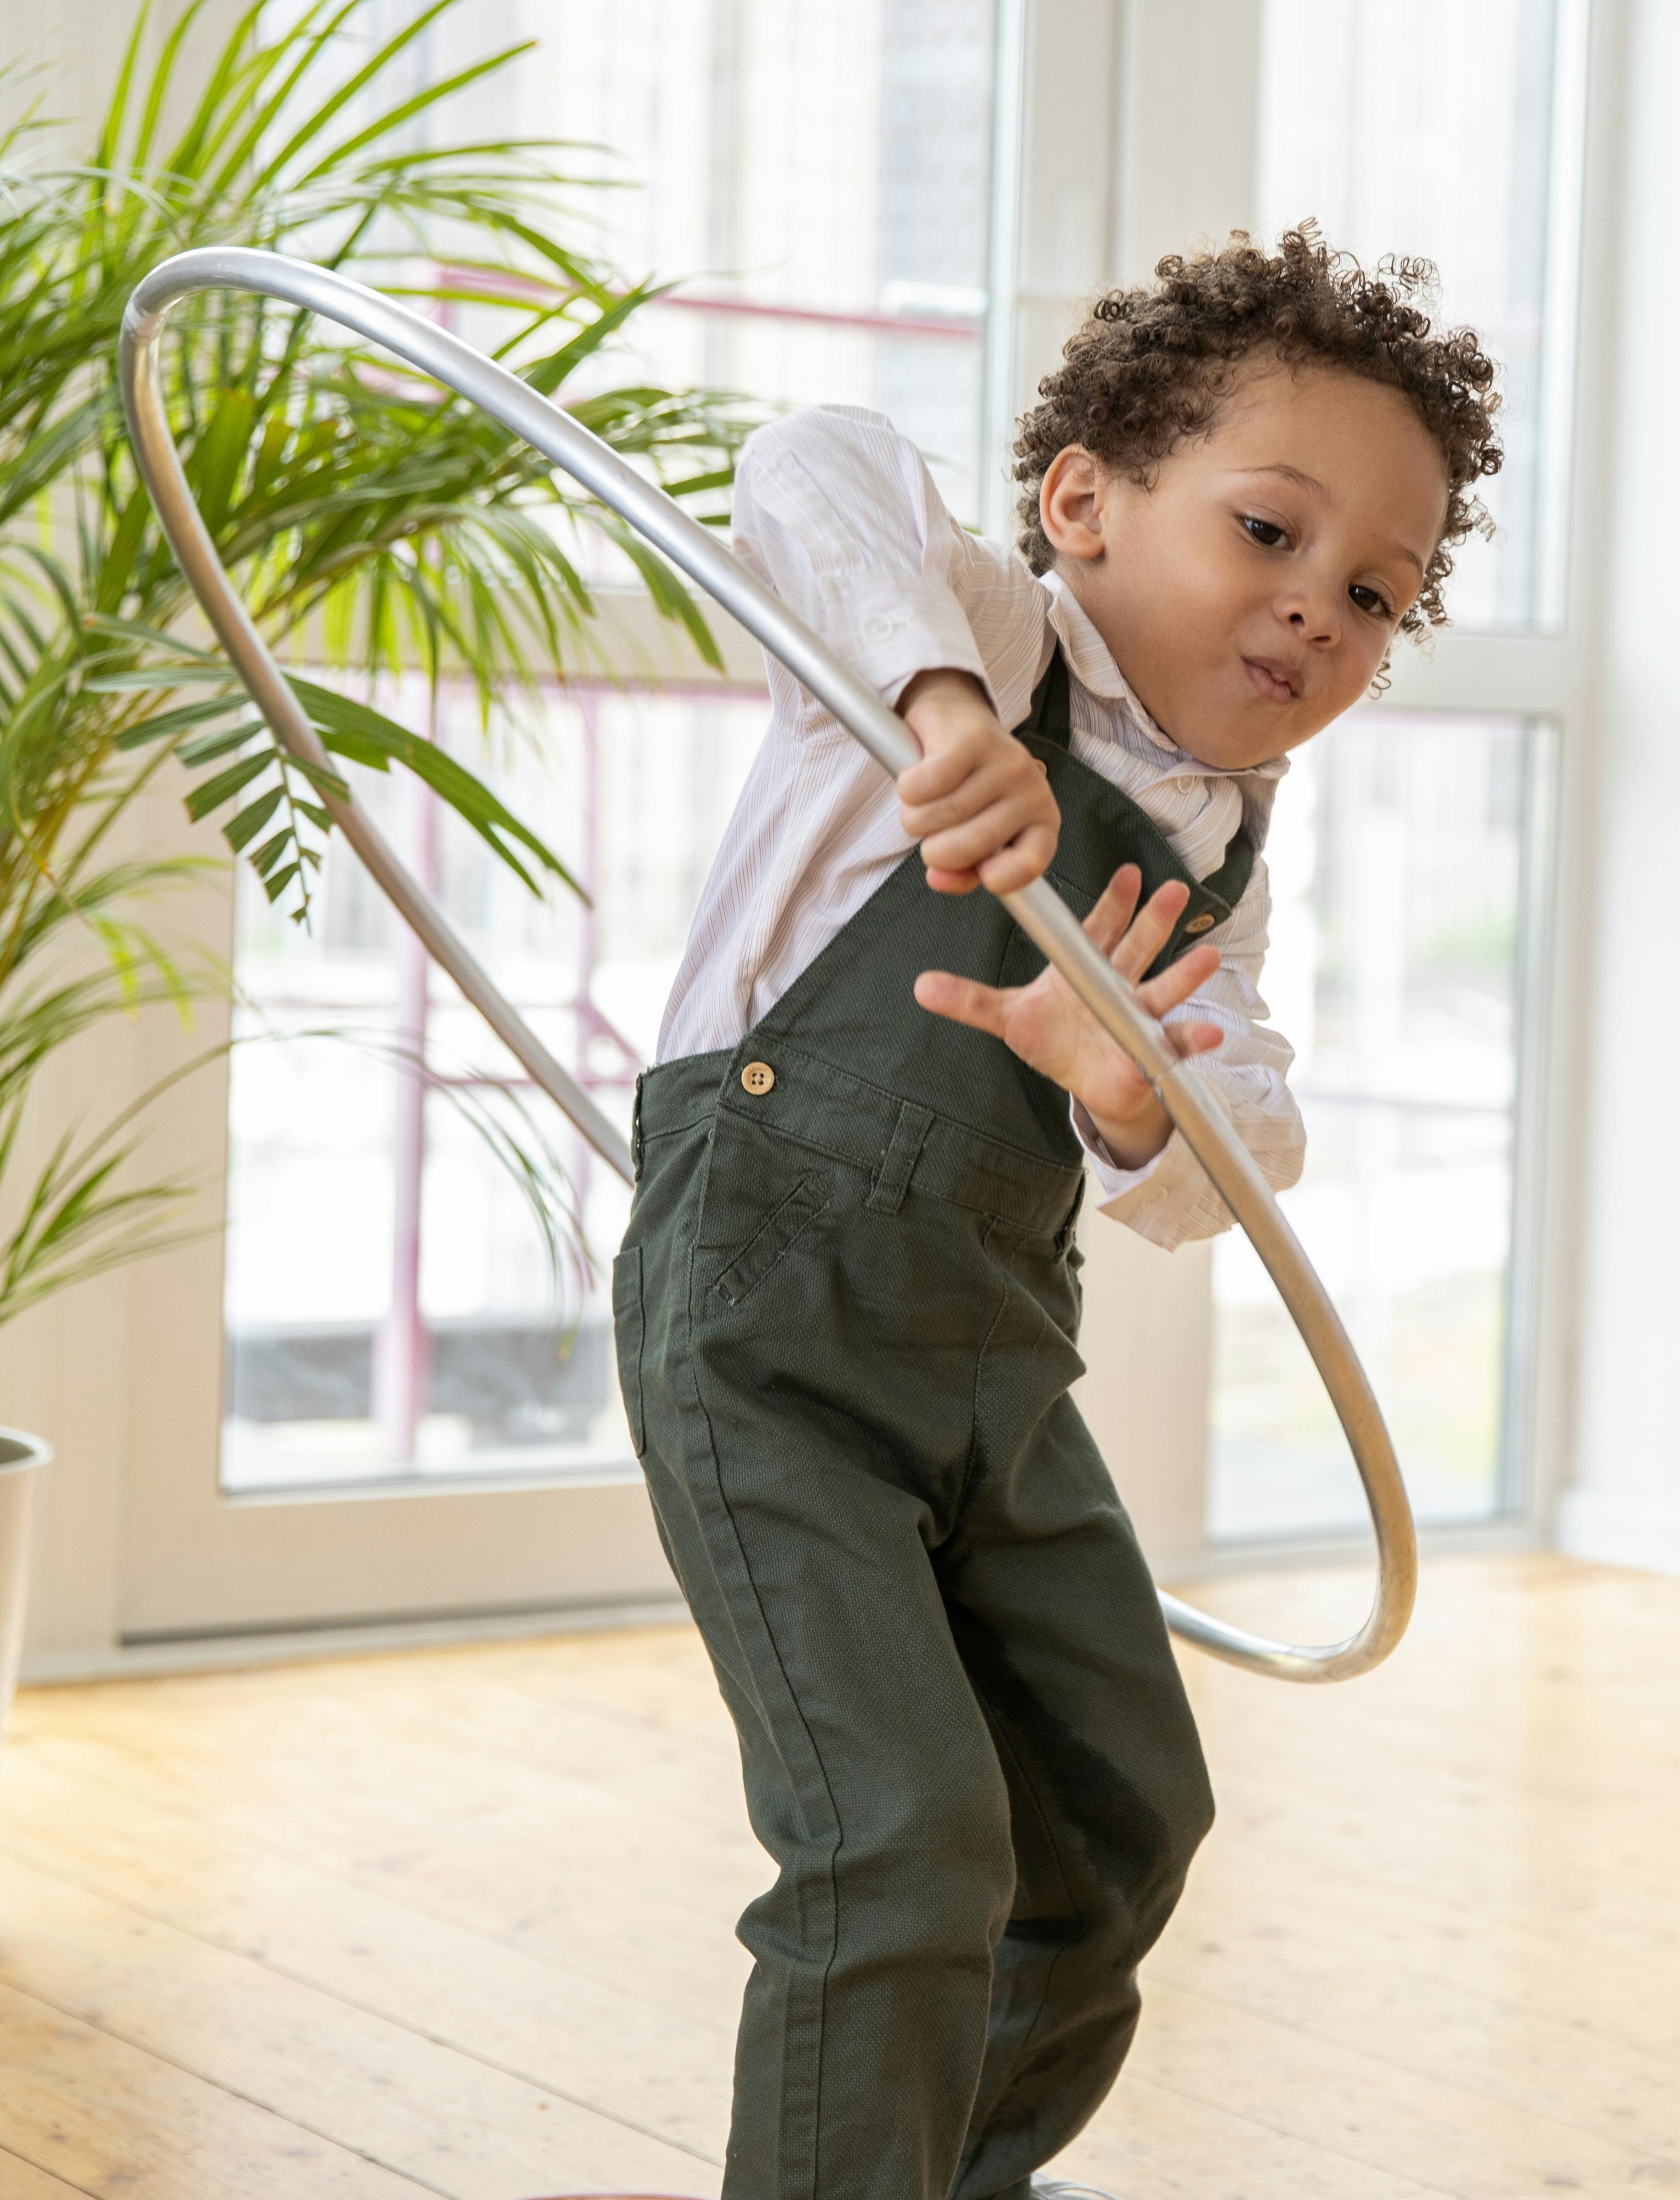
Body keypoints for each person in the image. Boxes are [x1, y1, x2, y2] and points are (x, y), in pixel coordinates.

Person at [616, 226, 1499, 2200]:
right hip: (769, 1325)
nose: (1317, 607)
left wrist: (1130, 1089)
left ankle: (957, 2175)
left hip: (993, 1364)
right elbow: (810, 463)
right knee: (899, 1840)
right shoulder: (971, 653)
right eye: (1268, 530)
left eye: (1376, 593)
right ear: (1084, 504)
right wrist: (935, 714)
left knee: (1120, 1817)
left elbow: (1238, 1148)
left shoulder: (1220, 857)